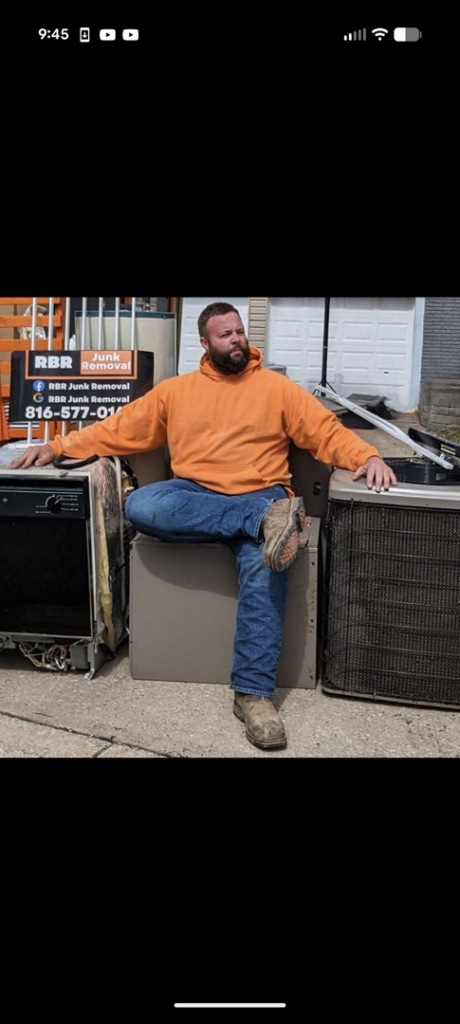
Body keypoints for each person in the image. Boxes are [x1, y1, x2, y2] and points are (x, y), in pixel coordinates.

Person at [10, 301, 397, 752]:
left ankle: (253, 696)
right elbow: (118, 428)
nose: (237, 340)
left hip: (263, 492)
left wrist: (367, 456)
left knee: (265, 565)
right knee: (144, 505)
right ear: (205, 342)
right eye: (225, 335)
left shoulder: (278, 389)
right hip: (198, 495)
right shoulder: (177, 391)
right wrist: (58, 446)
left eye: (239, 332)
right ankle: (259, 522)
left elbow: (325, 431)